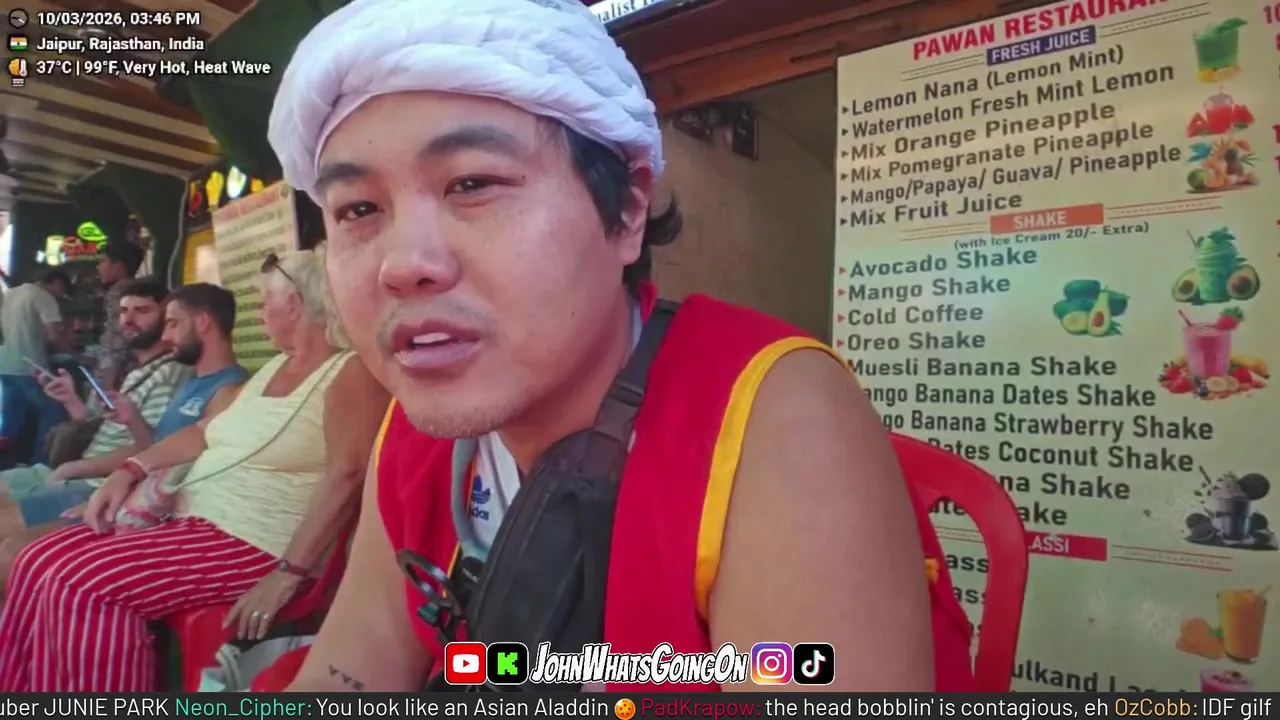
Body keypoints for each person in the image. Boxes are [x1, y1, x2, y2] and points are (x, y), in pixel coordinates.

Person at [263, 0, 974, 694]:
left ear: (629, 210)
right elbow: (348, 673)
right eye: (359, 210)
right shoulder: (417, 428)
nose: (400, 264)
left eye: (473, 183)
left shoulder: (772, 412)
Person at [0, 248, 388, 692]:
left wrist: (289, 572)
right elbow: (204, 431)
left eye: (265, 303)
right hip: (194, 522)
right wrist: (130, 469)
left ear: (295, 304)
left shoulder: (350, 370)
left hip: (254, 542)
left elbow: (347, 474)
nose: (259, 314)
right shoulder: (274, 368)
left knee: (83, 584)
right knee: (34, 560)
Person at [0, 277, 192, 566]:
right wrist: (72, 402)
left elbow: (152, 449)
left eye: (142, 311)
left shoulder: (170, 374)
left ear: (166, 319)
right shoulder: (139, 371)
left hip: (95, 484)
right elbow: (110, 432)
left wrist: (73, 468)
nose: (128, 320)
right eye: (124, 311)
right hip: (75, 473)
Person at [0, 270, 73, 464]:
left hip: (5, 363)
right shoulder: (44, 297)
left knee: (11, 419)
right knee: (54, 412)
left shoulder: (11, 294)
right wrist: (78, 355)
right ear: (57, 283)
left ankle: (6, 466)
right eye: (63, 290)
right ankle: (40, 463)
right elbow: (54, 336)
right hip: (30, 366)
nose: (61, 295)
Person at [94, 242, 147, 390]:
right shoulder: (140, 290)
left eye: (102, 261)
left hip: (118, 376)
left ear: (118, 266)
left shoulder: (119, 293)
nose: (98, 267)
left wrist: (108, 383)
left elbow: (116, 342)